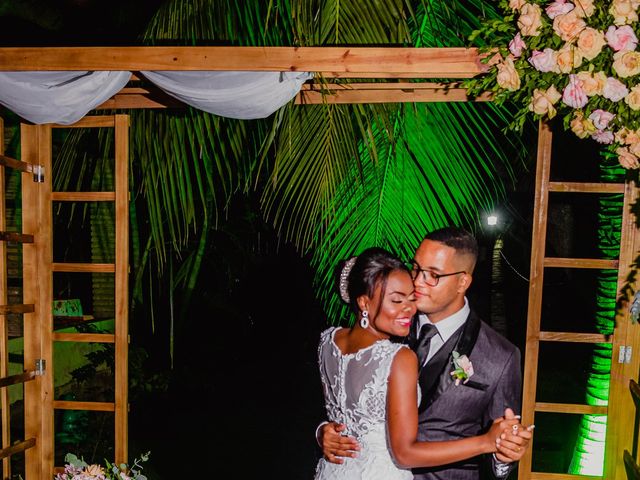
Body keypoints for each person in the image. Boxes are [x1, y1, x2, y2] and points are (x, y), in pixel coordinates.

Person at [318, 227, 533, 479]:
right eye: (417, 268)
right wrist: (325, 431)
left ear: (462, 281)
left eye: (433, 275)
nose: (418, 282)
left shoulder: (500, 357)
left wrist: (502, 455)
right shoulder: (390, 319)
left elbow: (500, 445)